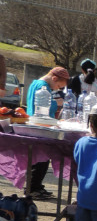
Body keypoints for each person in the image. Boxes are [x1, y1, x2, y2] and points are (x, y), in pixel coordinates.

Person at [25, 66, 70, 199]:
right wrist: (58, 103)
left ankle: (36, 186)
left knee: (41, 159)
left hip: (36, 124)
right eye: (58, 85)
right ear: (54, 78)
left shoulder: (35, 83)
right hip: (40, 125)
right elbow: (45, 107)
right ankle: (32, 188)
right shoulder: (43, 86)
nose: (57, 89)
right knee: (41, 159)